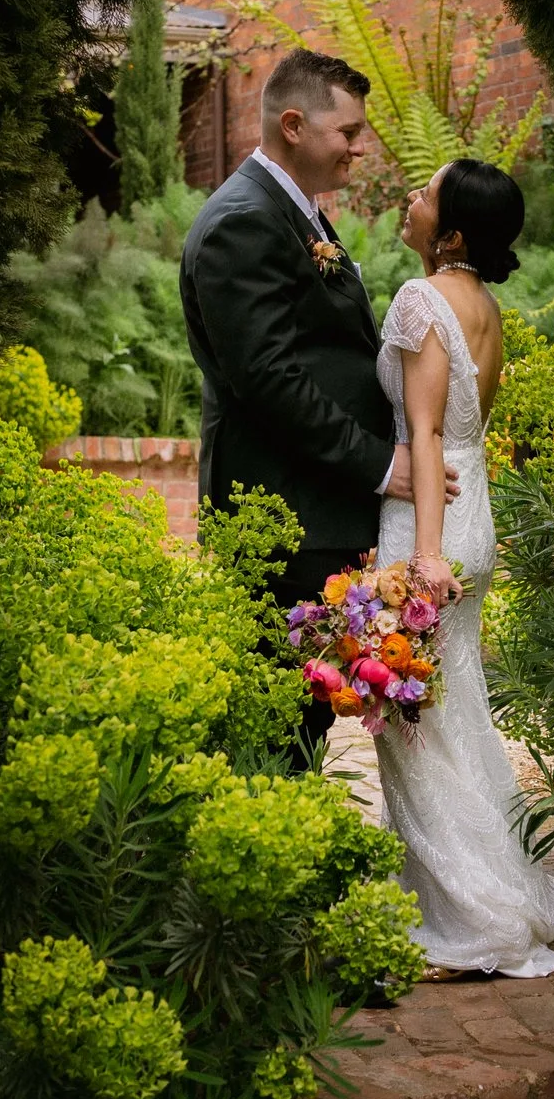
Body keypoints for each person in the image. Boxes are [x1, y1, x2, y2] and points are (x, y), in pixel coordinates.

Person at [179, 49, 456, 760]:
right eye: (349, 132)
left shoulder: (294, 214)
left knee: (302, 718)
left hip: (313, 509)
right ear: (295, 125)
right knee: (280, 724)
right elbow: (268, 379)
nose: (358, 148)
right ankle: (265, 857)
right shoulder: (244, 221)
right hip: (282, 517)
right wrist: (380, 464)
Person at [375, 158, 554, 977]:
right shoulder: (487, 307)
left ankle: (474, 910)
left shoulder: (419, 298)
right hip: (476, 515)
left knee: (412, 727)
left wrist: (425, 557)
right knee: (451, 710)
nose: (410, 198)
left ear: (453, 233)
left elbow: (425, 435)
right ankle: (487, 882)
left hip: (428, 524)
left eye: (425, 195)